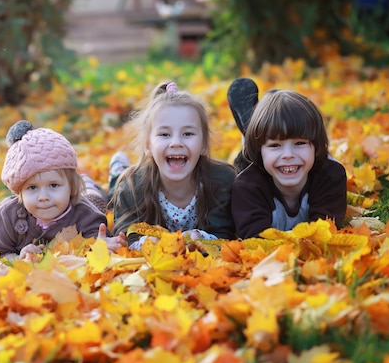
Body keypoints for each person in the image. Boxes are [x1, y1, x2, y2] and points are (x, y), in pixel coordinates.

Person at [0, 120, 127, 260]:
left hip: (81, 197)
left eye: (53, 185)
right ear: (20, 192)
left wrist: (101, 245)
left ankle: (92, 179)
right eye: (32, 188)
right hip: (7, 213)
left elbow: (98, 240)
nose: (43, 197)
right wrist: (18, 258)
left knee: (94, 199)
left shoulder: (85, 214)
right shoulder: (8, 215)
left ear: (71, 187)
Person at [109, 81, 236, 249]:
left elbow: (226, 232)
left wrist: (201, 238)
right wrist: (144, 243)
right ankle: (117, 167)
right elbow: (125, 234)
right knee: (115, 185)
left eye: (188, 133)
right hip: (129, 179)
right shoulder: (131, 187)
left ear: (204, 144)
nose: (176, 142)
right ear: (148, 145)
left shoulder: (222, 181)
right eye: (165, 134)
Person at [229, 87, 348, 239]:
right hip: (257, 166)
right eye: (275, 145)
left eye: (299, 143)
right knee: (247, 159)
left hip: (315, 163)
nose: (288, 155)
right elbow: (255, 240)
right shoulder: (247, 187)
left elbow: (325, 231)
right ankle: (250, 131)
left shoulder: (331, 176)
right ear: (260, 151)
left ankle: (261, 130)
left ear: (316, 145)